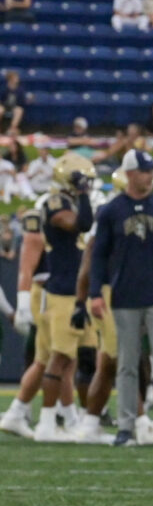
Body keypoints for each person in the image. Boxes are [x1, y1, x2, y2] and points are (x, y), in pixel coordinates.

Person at [86, 150, 153, 446]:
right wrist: (96, 293)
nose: (150, 175)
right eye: (144, 171)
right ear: (130, 174)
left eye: (151, 170)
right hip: (124, 296)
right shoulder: (111, 211)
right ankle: (126, 426)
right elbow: (98, 256)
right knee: (127, 365)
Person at [0, 154, 97, 442]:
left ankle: (20, 413)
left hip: (67, 289)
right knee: (60, 358)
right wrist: (22, 298)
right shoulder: (52, 204)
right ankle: (50, 421)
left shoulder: (70, 202)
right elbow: (29, 259)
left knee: (48, 360)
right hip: (54, 290)